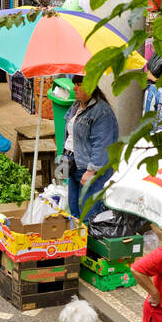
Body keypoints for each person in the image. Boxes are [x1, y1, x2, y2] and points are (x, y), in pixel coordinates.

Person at [66, 77, 118, 223]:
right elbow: (71, 136)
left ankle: (89, 244)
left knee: (89, 215)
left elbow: (103, 145)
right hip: (73, 164)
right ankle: (78, 242)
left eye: (79, 85)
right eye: (74, 84)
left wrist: (91, 171)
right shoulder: (76, 105)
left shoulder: (102, 112)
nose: (74, 88)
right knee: (74, 210)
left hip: (90, 170)